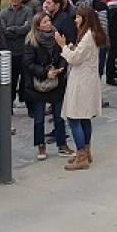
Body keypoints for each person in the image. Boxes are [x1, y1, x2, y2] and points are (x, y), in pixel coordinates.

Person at [58, 6, 106, 171]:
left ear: (85, 19)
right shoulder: (92, 35)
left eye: (78, 17)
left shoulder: (87, 37)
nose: (75, 20)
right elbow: (81, 55)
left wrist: (63, 46)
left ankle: (81, 155)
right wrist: (73, 49)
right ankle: (86, 150)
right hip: (87, 80)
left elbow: (74, 58)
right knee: (85, 117)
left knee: (74, 117)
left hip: (82, 82)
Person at [22, 13, 73, 160]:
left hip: (56, 82)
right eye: (44, 22)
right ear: (38, 26)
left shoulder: (57, 36)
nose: (48, 23)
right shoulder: (31, 41)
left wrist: (60, 69)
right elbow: (28, 63)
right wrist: (45, 73)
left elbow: (63, 55)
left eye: (49, 20)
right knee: (39, 118)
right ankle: (40, 145)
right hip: (38, 84)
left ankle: (62, 144)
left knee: (59, 116)